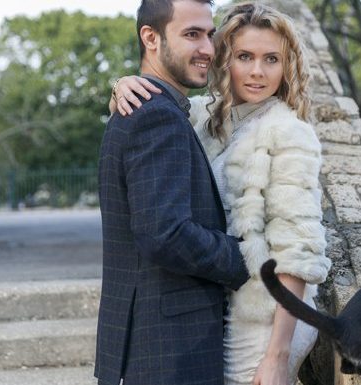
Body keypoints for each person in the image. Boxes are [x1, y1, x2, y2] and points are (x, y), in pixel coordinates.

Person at [109, 3, 331, 384]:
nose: (258, 71)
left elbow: (298, 251)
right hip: (226, 306)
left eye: (271, 59)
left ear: (287, 66)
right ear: (225, 58)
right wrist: (121, 85)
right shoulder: (206, 117)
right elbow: (161, 105)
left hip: (267, 318)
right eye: (245, 56)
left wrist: (277, 355)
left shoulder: (289, 133)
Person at [94, 1, 250, 384]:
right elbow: (164, 233)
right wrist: (242, 256)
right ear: (151, 37)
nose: (208, 49)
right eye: (192, 34)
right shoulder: (157, 116)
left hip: (152, 349)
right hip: (168, 352)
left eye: (209, 35)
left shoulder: (151, 107)